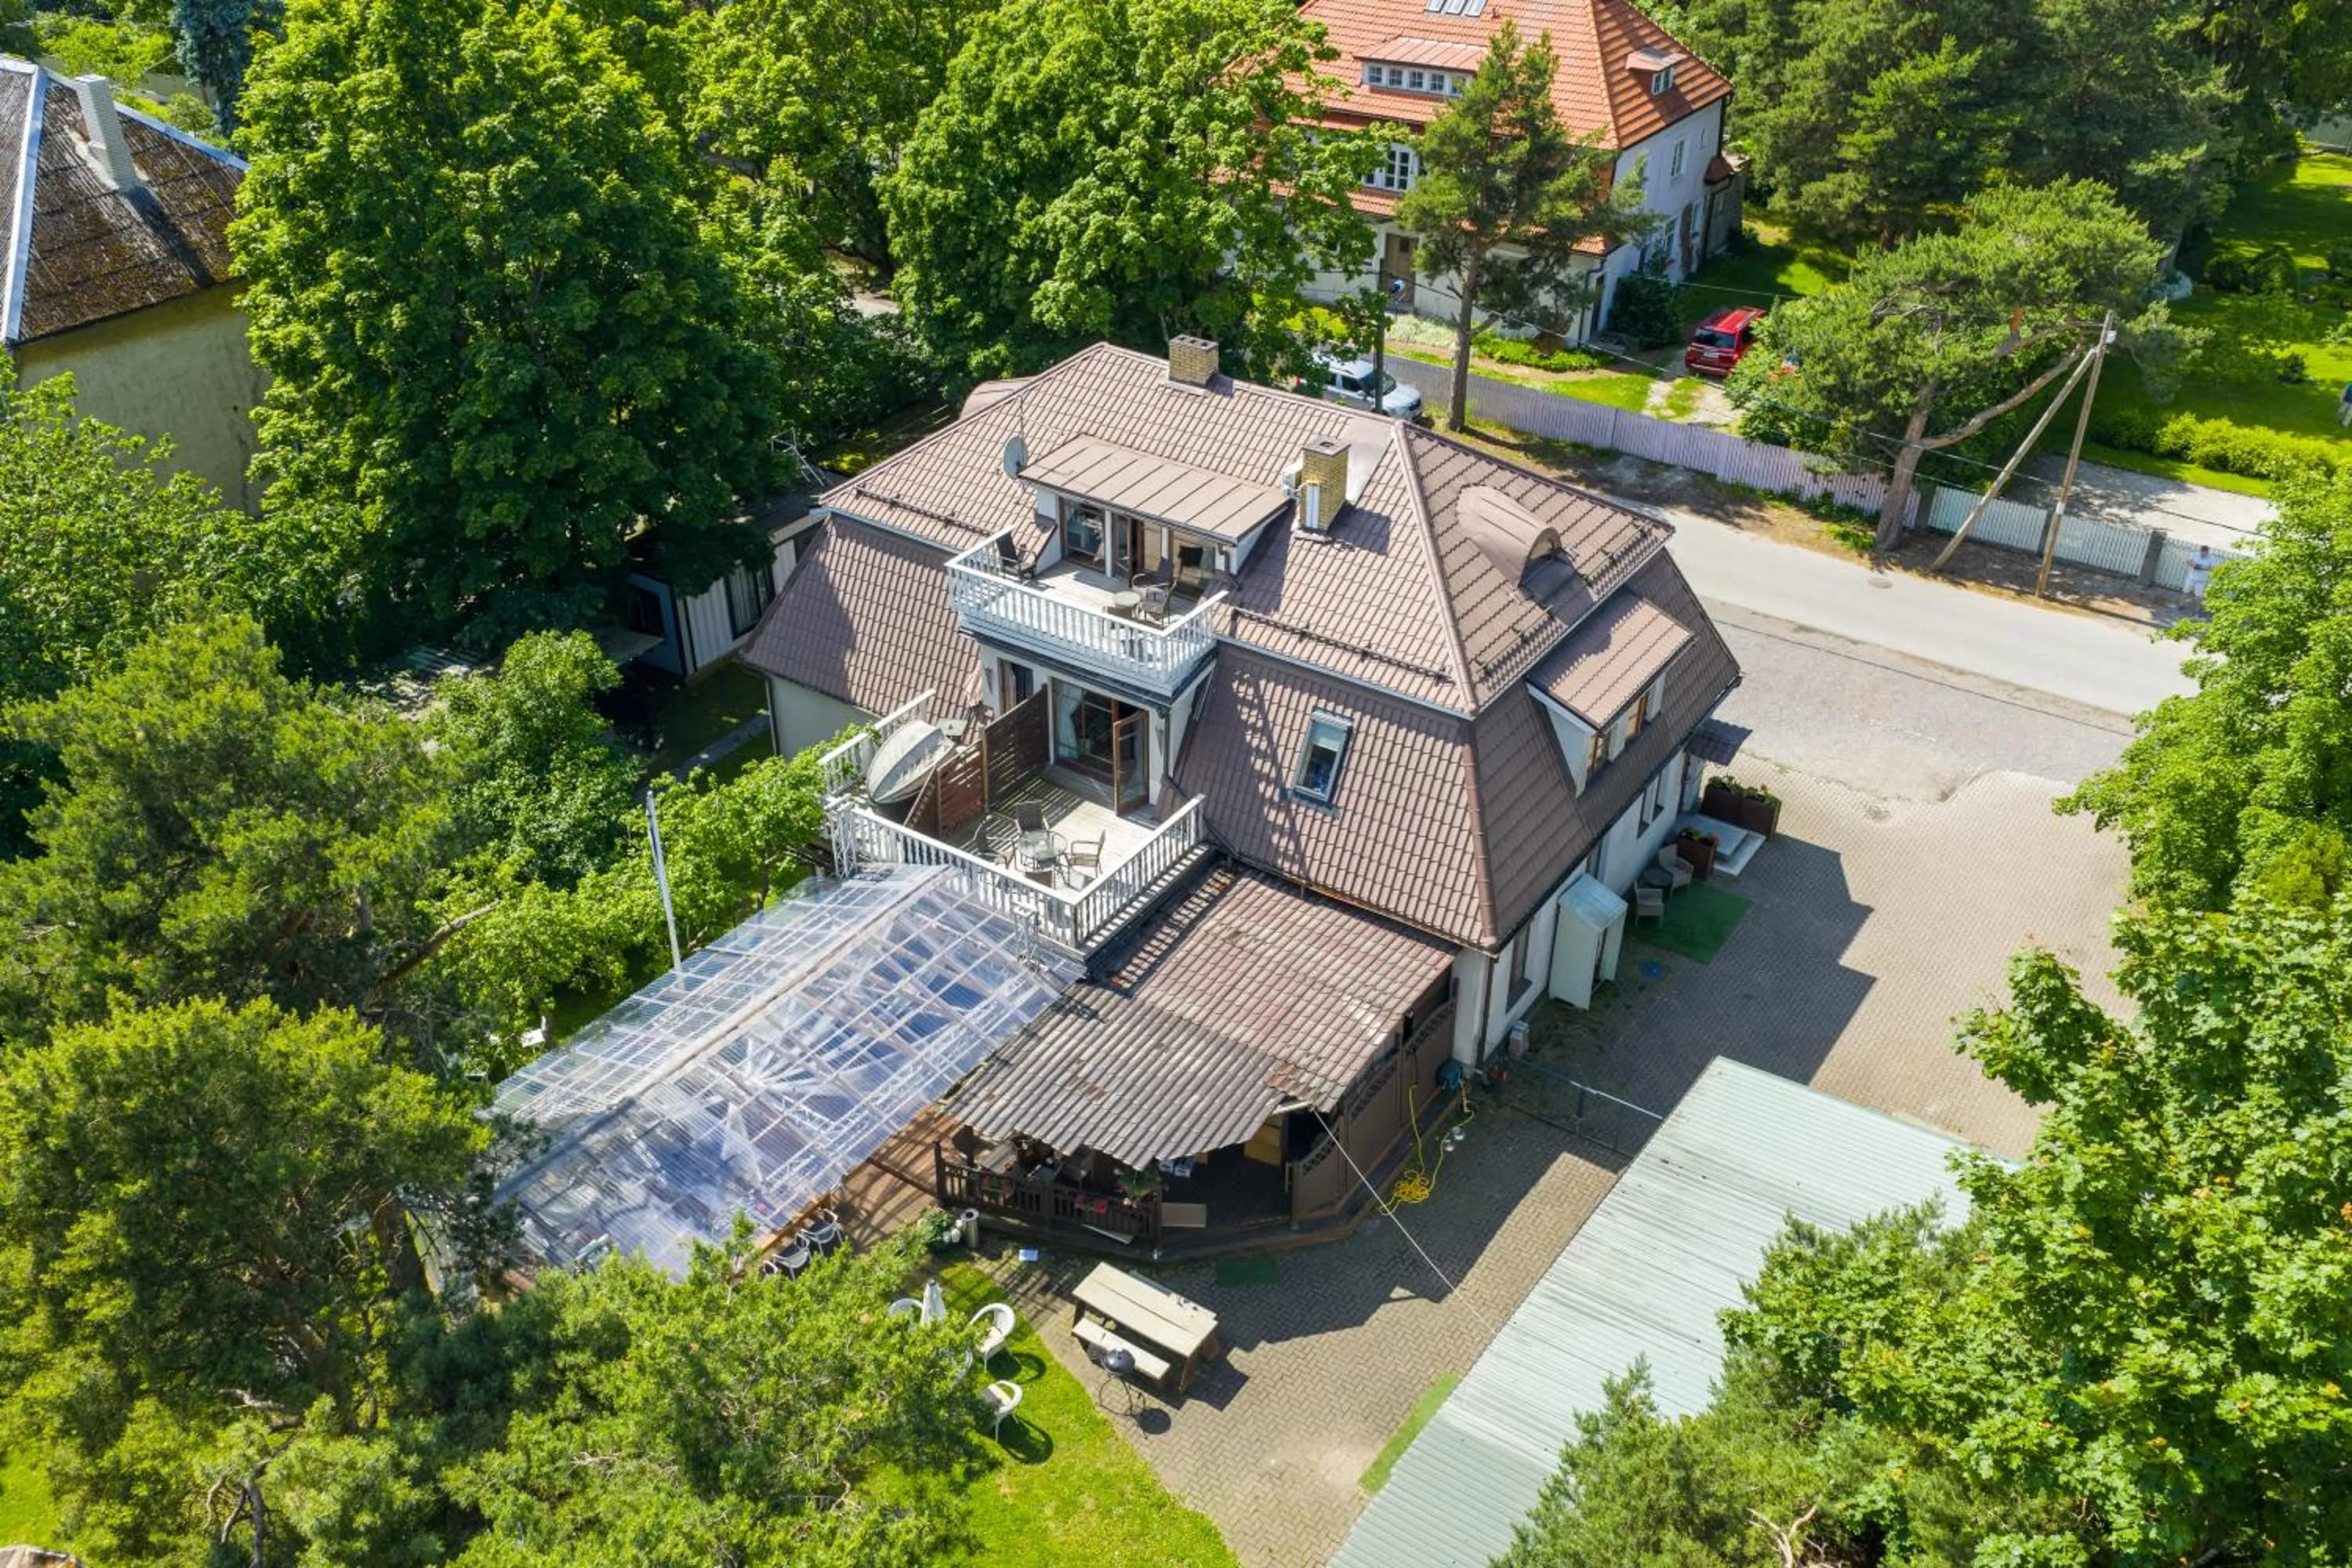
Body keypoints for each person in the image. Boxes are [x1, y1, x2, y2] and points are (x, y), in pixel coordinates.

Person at [2181, 543, 2219, 610]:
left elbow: (2213, 568)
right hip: (2191, 577)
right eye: (2201, 552)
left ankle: (2198, 608)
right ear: (2200, 551)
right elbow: (2188, 561)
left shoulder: (2211, 558)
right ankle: (2182, 604)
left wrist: (2203, 568)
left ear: (2207, 552)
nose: (2202, 554)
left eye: (2204, 553)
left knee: (2199, 595)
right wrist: (2194, 565)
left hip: (2201, 580)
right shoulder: (2195, 554)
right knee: (2185, 591)